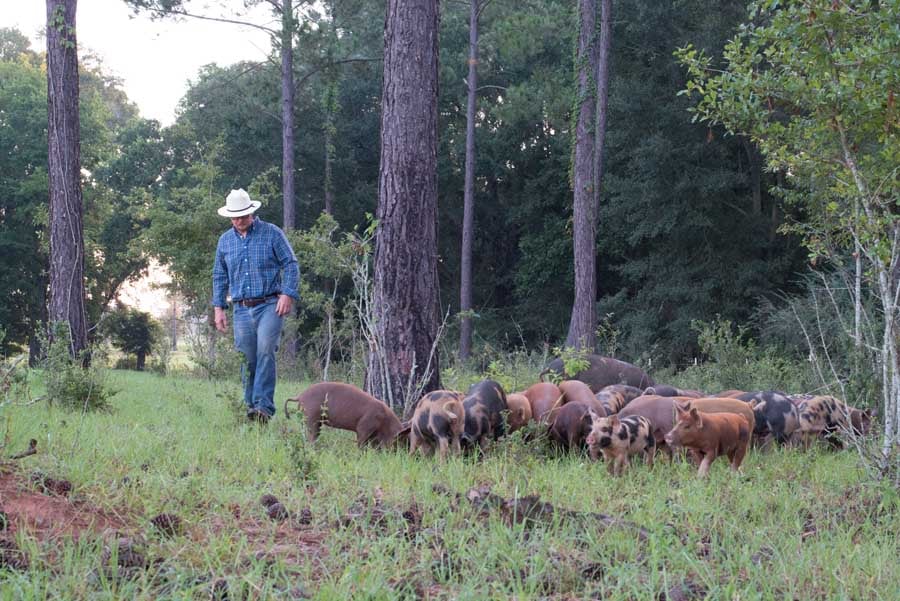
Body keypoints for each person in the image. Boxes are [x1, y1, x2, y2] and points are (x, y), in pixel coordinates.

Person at [212, 189, 299, 423]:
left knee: (265, 351)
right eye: (234, 217)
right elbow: (219, 275)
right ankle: (250, 407)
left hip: (270, 303)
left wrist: (287, 294)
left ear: (251, 213)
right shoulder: (225, 241)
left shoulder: (271, 233)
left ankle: (263, 407)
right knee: (247, 358)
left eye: (243, 215)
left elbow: (290, 264)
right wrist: (219, 308)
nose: (239, 221)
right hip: (240, 308)